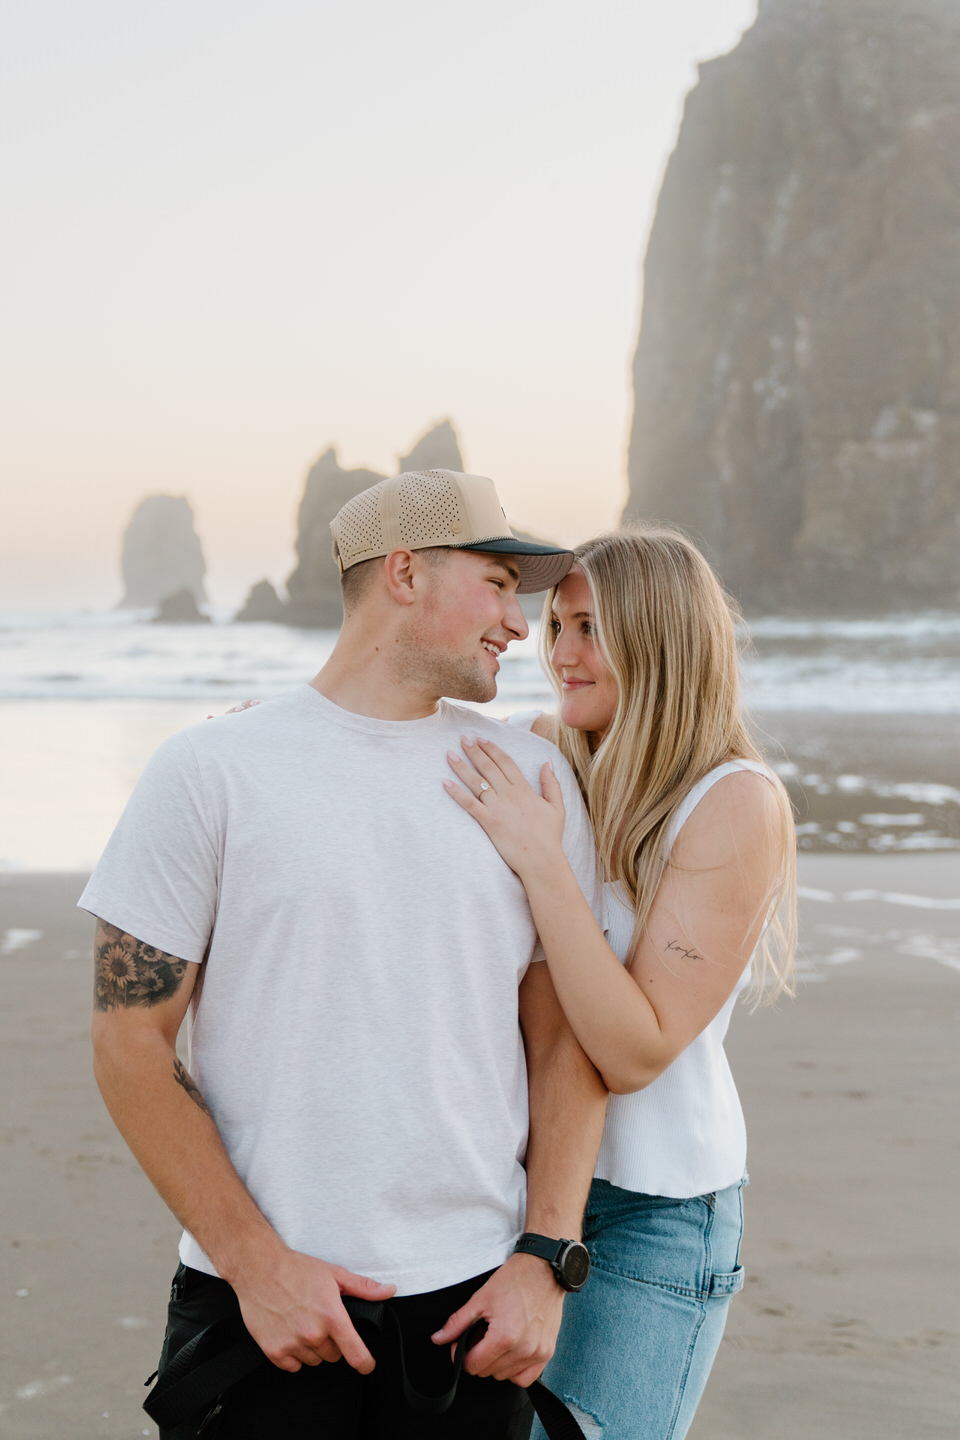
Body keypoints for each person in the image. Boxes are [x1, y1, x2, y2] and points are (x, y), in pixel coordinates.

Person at [82, 469, 609, 1440]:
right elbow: (128, 1043)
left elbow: (562, 1044)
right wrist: (257, 1265)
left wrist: (546, 1257)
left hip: (474, 1313)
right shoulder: (210, 772)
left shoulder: (532, 780)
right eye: (497, 582)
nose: (518, 621)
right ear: (404, 574)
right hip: (264, 1314)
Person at [444, 526, 798, 1440]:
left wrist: (542, 862)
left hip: (656, 1213)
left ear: (659, 635)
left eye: (591, 628)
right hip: (519, 1192)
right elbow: (406, 736)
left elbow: (634, 1048)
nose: (560, 654)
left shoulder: (731, 800)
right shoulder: (549, 752)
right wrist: (273, 730)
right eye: (557, 625)